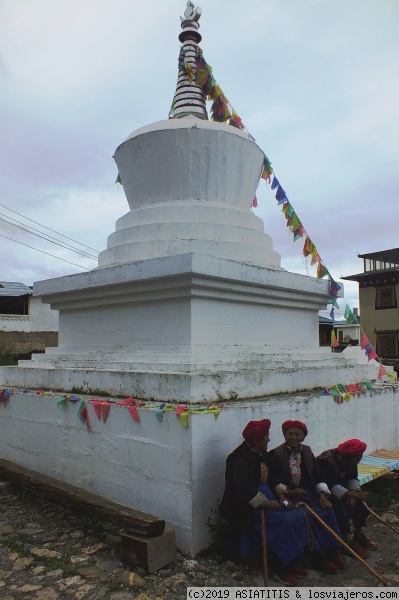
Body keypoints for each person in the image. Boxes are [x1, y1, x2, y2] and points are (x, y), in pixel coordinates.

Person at [220, 419, 330, 586]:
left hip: (269, 496)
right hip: (248, 505)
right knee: (283, 522)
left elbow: (273, 478)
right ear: (257, 440)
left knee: (297, 515)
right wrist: (268, 503)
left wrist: (281, 493)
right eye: (266, 438)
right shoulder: (238, 459)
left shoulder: (261, 453)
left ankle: (294, 560)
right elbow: (245, 491)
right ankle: (281, 567)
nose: (269, 441)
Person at [268, 419, 346, 573]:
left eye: (298, 434)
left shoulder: (307, 451)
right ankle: (317, 558)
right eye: (290, 434)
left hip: (307, 493)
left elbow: (318, 475)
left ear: (303, 437)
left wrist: (323, 496)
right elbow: (273, 480)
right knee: (308, 516)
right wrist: (289, 492)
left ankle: (333, 551)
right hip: (287, 496)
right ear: (285, 435)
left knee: (326, 510)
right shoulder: (275, 454)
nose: (293, 437)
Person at [316, 438, 376, 559]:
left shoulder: (352, 460)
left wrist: (353, 492)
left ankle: (358, 535)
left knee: (362, 503)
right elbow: (329, 484)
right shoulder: (326, 461)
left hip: (343, 489)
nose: (356, 461)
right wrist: (351, 494)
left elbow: (353, 477)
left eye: (359, 458)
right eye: (354, 458)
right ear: (344, 456)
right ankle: (347, 540)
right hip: (325, 492)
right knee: (338, 508)